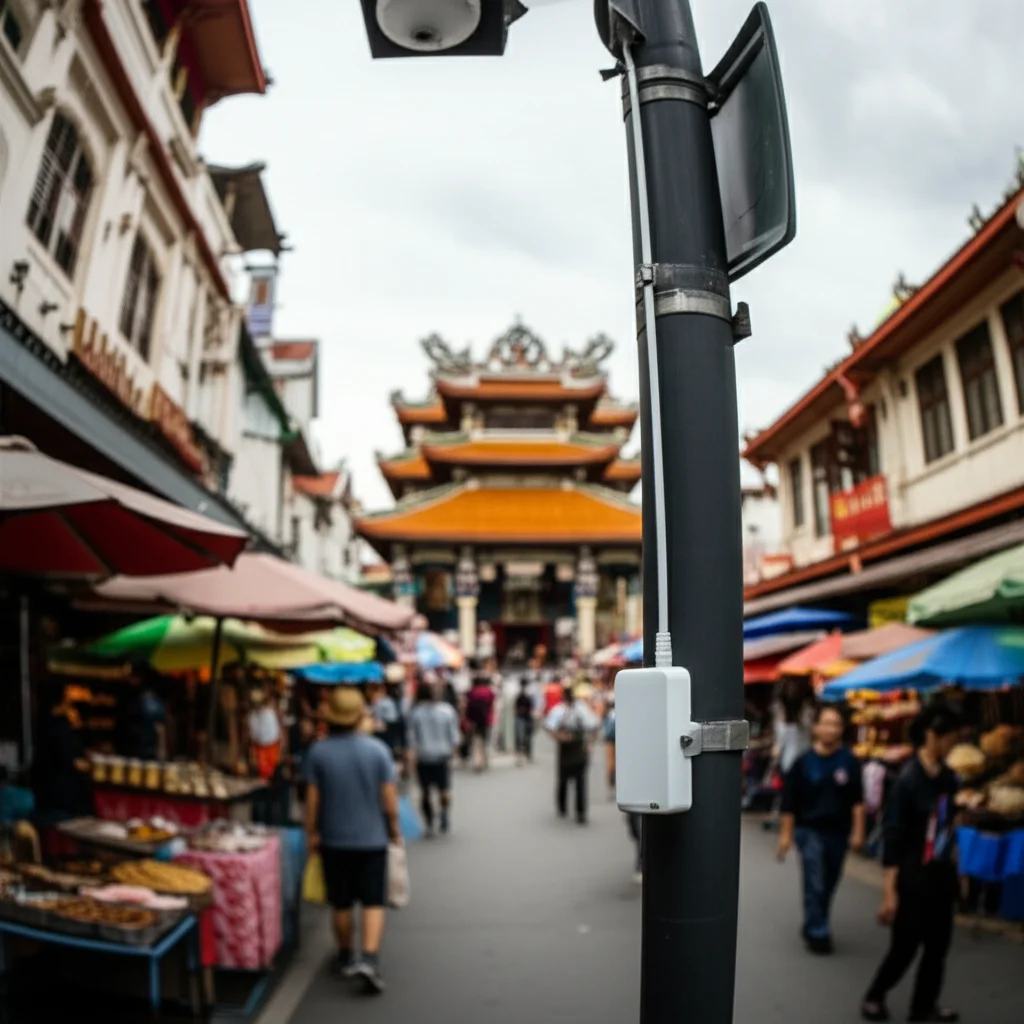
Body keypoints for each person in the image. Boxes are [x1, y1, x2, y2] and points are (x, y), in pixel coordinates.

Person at [861, 703, 963, 1024]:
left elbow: (950, 826)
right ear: (932, 735)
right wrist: (889, 892)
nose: (954, 744)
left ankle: (924, 1007)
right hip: (912, 878)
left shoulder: (949, 778)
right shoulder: (908, 780)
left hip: (941, 876)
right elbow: (893, 838)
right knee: (905, 947)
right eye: (951, 737)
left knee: (938, 948)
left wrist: (959, 873)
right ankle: (875, 995)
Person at [305, 687, 402, 995]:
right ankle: (370, 960)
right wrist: (395, 830)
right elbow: (389, 799)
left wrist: (311, 833)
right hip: (372, 840)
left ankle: (346, 955)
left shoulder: (318, 752)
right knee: (373, 900)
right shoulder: (377, 750)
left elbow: (312, 801)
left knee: (341, 902)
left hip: (334, 840)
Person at [777, 705, 865, 954]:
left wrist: (858, 833)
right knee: (814, 879)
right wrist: (785, 836)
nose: (830, 729)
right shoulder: (803, 762)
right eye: (825, 723)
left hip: (838, 832)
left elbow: (857, 802)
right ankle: (818, 932)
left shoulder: (849, 762)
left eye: (835, 724)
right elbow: (789, 803)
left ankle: (814, 922)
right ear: (815, 728)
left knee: (829, 881)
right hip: (809, 831)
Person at [408, 681, 460, 837]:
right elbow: (454, 737)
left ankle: (430, 822)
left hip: (424, 756)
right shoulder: (447, 711)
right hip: (441, 756)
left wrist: (411, 757)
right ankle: (443, 814)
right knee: (443, 790)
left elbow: (412, 738)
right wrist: (454, 754)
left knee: (426, 792)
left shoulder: (416, 713)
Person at [545, 684, 598, 824]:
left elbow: (593, 725)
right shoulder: (560, 709)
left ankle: (580, 811)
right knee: (563, 779)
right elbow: (549, 726)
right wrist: (559, 736)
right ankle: (562, 806)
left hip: (578, 746)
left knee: (580, 781)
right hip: (566, 748)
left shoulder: (580, 708)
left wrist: (589, 744)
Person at [248, 688, 283, 782]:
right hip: (260, 746)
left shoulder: (270, 712)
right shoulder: (252, 715)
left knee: (273, 769)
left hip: (272, 744)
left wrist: (281, 747)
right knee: (263, 771)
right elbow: (252, 733)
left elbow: (279, 730)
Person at [465, 674, 495, 772]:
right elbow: (491, 706)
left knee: (476, 741)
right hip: (486, 720)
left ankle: (478, 761)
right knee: (485, 740)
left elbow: (468, 707)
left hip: (474, 721)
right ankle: (484, 760)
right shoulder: (489, 692)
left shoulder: (471, 692)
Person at [514, 677, 535, 766]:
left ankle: (525, 753)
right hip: (523, 717)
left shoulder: (526, 694)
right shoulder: (524, 694)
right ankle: (523, 754)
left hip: (524, 717)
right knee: (523, 737)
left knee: (525, 737)